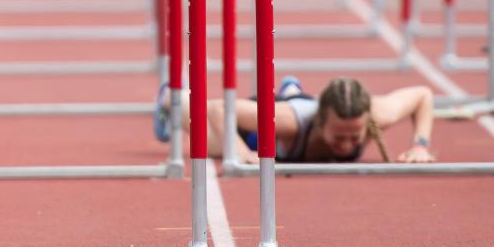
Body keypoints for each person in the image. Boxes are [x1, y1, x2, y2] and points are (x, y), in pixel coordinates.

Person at [155, 77, 435, 164]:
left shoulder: (378, 115)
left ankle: (292, 90)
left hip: (291, 111)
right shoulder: (291, 122)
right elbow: (219, 109)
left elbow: (422, 95)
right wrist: (243, 155)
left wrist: (420, 145)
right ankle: (170, 97)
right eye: (339, 137)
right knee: (206, 136)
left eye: (355, 137)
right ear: (322, 122)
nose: (348, 145)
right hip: (257, 128)